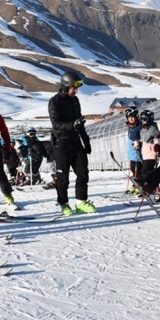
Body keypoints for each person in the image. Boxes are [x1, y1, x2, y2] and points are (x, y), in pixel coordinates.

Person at [49, 71, 95, 215]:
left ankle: (81, 202)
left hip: (76, 142)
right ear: (65, 86)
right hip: (61, 143)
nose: (76, 91)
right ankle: (63, 203)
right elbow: (56, 124)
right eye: (73, 88)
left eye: (77, 88)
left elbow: (79, 123)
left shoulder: (75, 101)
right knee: (63, 177)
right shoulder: (55, 101)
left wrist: (86, 141)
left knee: (83, 173)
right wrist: (72, 125)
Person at [138, 109, 160, 188]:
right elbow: (143, 140)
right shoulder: (142, 130)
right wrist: (138, 144)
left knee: (145, 171)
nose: (143, 121)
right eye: (142, 119)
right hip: (145, 154)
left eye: (145, 119)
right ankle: (150, 186)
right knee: (147, 171)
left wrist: (157, 144)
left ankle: (149, 187)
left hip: (152, 154)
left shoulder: (153, 128)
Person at [125, 107, 143, 194]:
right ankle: (136, 185)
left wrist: (139, 143)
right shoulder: (130, 127)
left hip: (138, 154)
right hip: (132, 154)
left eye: (133, 117)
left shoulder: (139, 127)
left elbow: (143, 138)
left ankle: (139, 186)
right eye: (129, 117)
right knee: (133, 169)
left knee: (138, 170)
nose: (131, 119)